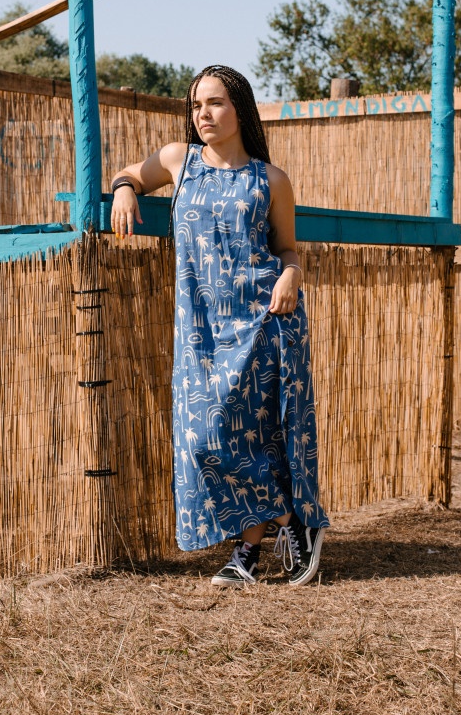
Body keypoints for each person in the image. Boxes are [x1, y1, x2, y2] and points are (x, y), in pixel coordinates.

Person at [110, 64, 329, 586]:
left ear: (240, 110)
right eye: (195, 105)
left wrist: (291, 275)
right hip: (200, 333)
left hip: (263, 322)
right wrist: (123, 190)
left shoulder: (271, 180)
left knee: (257, 435)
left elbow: (287, 249)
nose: (202, 114)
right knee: (203, 438)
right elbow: (130, 173)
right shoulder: (179, 162)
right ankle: (290, 519)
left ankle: (247, 552)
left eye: (215, 103)